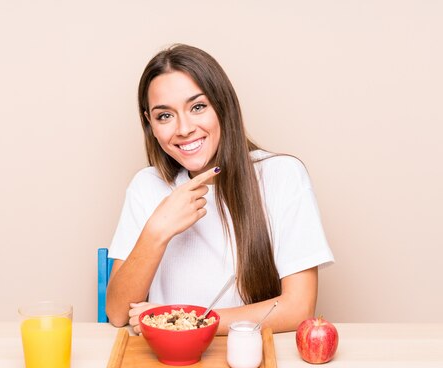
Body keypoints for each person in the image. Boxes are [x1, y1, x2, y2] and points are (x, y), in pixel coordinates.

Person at [106, 44, 334, 335]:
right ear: (150, 123)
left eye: (198, 107)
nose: (184, 128)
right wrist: (156, 232)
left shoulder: (282, 176)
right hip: (169, 367)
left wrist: (181, 320)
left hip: (249, 359)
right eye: (165, 116)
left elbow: (297, 308)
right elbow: (117, 313)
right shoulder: (146, 186)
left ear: (222, 106)